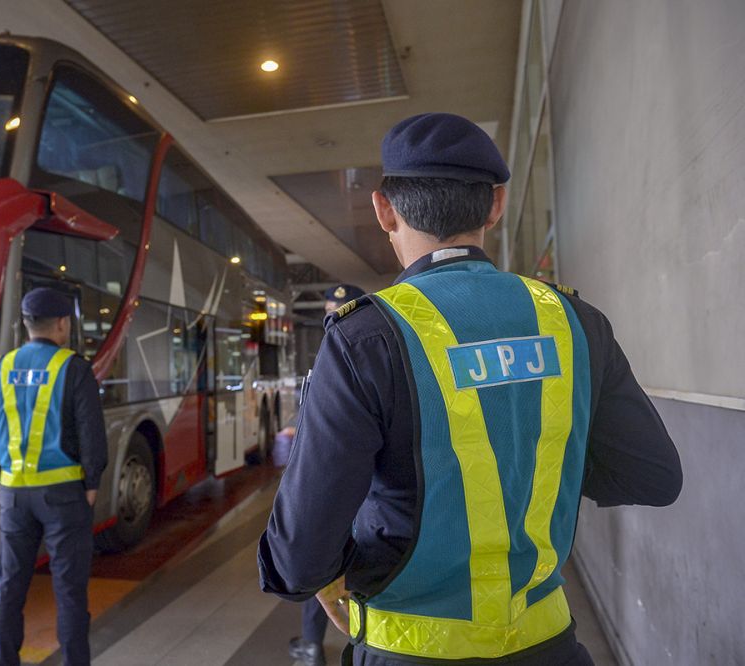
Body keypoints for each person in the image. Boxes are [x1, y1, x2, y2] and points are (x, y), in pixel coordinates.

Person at [258, 113, 682, 665]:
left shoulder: (367, 338)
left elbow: (298, 559)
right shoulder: (572, 320)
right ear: (495, 206)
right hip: (551, 649)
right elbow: (653, 475)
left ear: (384, 209)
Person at [0, 287, 108, 666]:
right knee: (69, 593)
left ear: (26, 324)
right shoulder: (74, 368)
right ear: (63, 324)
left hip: (14, 497)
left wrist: (2, 478)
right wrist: (92, 484)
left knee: (9, 588)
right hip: (64, 496)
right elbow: (91, 435)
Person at [289, 283, 367, 666]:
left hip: (339, 492)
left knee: (323, 570)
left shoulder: (332, 358)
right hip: (367, 495)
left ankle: (314, 644)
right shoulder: (374, 350)